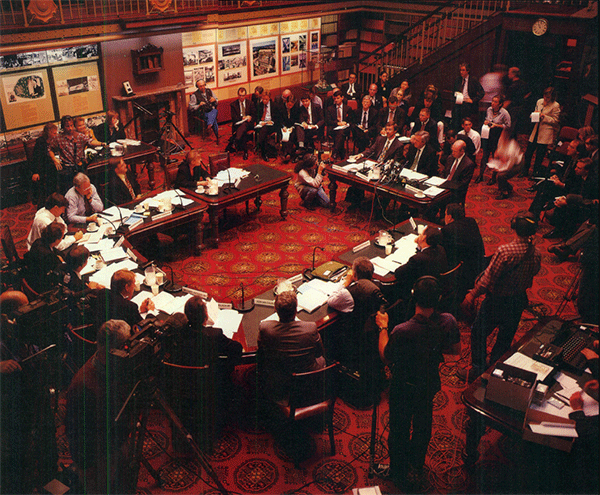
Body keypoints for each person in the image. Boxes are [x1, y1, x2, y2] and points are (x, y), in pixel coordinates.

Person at [375, 276, 460, 489]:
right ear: (438, 298)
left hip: (403, 386)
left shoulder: (402, 330)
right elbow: (456, 350)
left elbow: (386, 356)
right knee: (423, 425)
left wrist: (383, 328)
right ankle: (416, 465)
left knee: (399, 429)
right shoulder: (447, 321)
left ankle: (397, 471)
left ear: (414, 296)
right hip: (429, 383)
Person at [460, 212, 541, 381]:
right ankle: (495, 369)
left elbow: (488, 280)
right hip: (518, 300)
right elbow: (535, 272)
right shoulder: (536, 252)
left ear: (514, 227)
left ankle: (478, 369)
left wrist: (472, 295)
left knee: (478, 333)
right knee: (505, 337)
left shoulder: (505, 251)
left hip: (497, 302)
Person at [65, 319, 136, 494]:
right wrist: (86, 466)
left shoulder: (112, 365)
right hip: (97, 457)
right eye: (127, 344)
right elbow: (75, 433)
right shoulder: (83, 386)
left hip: (116, 440)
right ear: (115, 350)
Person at [327, 257, 388, 395]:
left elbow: (331, 301)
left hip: (354, 335)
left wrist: (346, 282)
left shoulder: (350, 292)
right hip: (372, 333)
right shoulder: (379, 286)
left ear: (355, 275)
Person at [257, 288, 326, 404]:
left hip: (278, 381)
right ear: (296, 310)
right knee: (322, 360)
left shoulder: (266, 328)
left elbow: (261, 354)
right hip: (307, 379)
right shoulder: (310, 328)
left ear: (275, 310)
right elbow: (319, 353)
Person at [544, 157, 599, 240]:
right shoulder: (579, 176)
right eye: (576, 167)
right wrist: (565, 198)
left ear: (586, 170)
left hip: (588, 207)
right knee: (559, 203)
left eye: (579, 168)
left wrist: (568, 202)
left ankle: (567, 237)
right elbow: (573, 189)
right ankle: (558, 230)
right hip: (577, 200)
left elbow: (590, 200)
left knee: (569, 208)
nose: (576, 169)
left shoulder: (594, 181)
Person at [441, 203, 485, 301]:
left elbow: (444, 252)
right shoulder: (471, 221)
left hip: (463, 273)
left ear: (449, 216)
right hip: (480, 265)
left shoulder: (447, 230)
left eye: (445, 214)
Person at [50, 115, 104, 192]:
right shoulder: (58, 138)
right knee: (70, 191)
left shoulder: (79, 136)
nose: (70, 128)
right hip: (67, 169)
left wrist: (102, 144)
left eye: (71, 125)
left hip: (79, 167)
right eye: (67, 126)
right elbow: (49, 149)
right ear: (63, 127)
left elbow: (90, 141)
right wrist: (54, 159)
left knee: (83, 188)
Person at [394, 226, 448, 301]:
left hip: (419, 292)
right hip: (435, 288)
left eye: (421, 234)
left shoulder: (417, 259)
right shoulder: (441, 249)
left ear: (423, 238)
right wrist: (419, 245)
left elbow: (398, 273)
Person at [520, 87, 561, 177]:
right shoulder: (539, 101)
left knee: (540, 155)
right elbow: (535, 111)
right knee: (528, 153)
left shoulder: (555, 105)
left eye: (548, 97)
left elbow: (555, 121)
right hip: (535, 130)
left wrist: (544, 117)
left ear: (552, 97)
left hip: (545, 133)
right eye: (545, 96)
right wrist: (535, 114)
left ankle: (535, 173)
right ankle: (525, 171)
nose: (546, 98)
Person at [23, 222, 65, 294]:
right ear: (56, 240)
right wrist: (61, 262)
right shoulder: (48, 256)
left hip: (31, 276)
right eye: (62, 237)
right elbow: (59, 271)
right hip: (42, 287)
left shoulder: (38, 241)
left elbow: (55, 252)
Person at [477, 94, 511, 183]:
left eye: (495, 102)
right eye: (492, 101)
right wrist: (487, 122)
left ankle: (493, 177)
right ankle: (480, 175)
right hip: (488, 134)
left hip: (497, 135)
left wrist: (496, 125)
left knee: (494, 157)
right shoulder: (489, 109)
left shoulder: (504, 113)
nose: (492, 103)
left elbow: (508, 126)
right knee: (484, 156)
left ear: (500, 104)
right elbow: (488, 119)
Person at [28, 122, 59, 207]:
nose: (56, 135)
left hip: (53, 165)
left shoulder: (55, 140)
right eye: (54, 133)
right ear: (48, 133)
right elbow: (37, 159)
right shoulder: (41, 142)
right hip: (43, 168)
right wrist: (35, 172)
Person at [488, 129, 523, 199]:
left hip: (517, 164)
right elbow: (498, 152)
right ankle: (508, 187)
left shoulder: (512, 147)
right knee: (499, 174)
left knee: (501, 175)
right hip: (507, 161)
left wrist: (500, 169)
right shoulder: (502, 139)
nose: (501, 136)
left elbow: (509, 165)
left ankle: (505, 193)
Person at [439, 139, 475, 204]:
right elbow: (444, 172)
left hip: (455, 191)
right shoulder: (450, 158)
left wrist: (446, 185)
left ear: (462, 151)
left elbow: (463, 183)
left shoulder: (468, 164)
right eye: (452, 151)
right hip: (444, 185)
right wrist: (440, 181)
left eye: (455, 151)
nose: (453, 153)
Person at [452, 62, 485, 129]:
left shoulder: (473, 80)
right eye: (460, 70)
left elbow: (482, 92)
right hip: (459, 103)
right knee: (455, 118)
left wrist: (473, 100)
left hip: (469, 104)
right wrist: (456, 95)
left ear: (468, 71)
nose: (461, 72)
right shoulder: (458, 80)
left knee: (465, 118)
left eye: (463, 70)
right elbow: (454, 91)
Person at [226, 87, 255, 160]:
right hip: (238, 124)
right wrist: (242, 118)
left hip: (248, 124)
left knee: (244, 126)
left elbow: (254, 115)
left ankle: (236, 139)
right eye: (240, 95)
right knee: (243, 130)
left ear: (245, 95)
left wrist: (249, 117)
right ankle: (245, 151)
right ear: (238, 95)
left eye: (243, 95)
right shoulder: (233, 104)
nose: (241, 97)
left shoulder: (250, 103)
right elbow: (234, 118)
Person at [325, 90, 354, 160]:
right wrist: (337, 123)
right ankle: (341, 152)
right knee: (340, 134)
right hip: (333, 128)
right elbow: (328, 121)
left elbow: (352, 121)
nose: (336, 100)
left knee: (341, 133)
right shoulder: (330, 108)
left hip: (344, 129)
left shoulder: (348, 108)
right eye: (335, 99)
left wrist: (346, 124)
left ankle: (335, 152)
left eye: (338, 98)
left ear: (342, 98)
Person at [189, 79, 219, 143]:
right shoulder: (195, 95)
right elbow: (191, 107)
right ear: (197, 87)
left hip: (211, 109)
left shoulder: (209, 91)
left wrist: (214, 100)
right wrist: (199, 105)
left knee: (214, 111)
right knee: (214, 116)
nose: (203, 87)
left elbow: (216, 101)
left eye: (203, 85)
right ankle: (217, 136)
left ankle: (209, 124)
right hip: (203, 113)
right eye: (200, 86)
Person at [503, 67, 530, 138]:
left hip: (512, 110)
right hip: (521, 109)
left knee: (509, 131)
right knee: (515, 130)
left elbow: (508, 101)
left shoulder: (512, 87)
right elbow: (528, 94)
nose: (508, 75)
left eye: (509, 73)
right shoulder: (524, 84)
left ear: (513, 74)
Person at [255, 89, 280, 161]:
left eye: (266, 99)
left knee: (264, 130)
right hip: (261, 124)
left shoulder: (274, 105)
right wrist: (260, 121)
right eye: (263, 99)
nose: (264, 101)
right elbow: (256, 116)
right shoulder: (259, 105)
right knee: (263, 130)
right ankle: (263, 149)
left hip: (271, 125)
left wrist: (271, 121)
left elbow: (277, 118)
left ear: (269, 98)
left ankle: (261, 149)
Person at [280, 94, 300, 163]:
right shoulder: (281, 107)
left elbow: (297, 120)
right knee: (284, 135)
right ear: (286, 102)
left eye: (291, 105)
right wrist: (283, 127)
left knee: (292, 135)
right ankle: (287, 153)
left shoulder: (296, 108)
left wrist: (292, 127)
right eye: (289, 105)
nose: (290, 107)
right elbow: (279, 119)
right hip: (283, 127)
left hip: (292, 127)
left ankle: (287, 153)